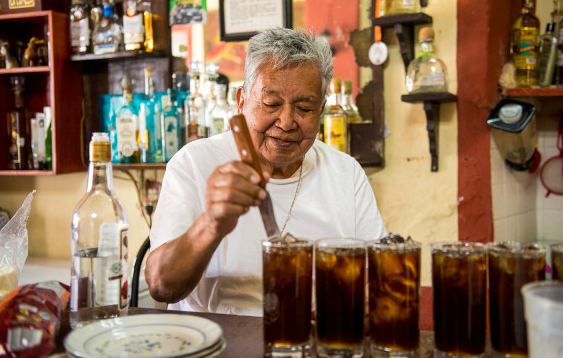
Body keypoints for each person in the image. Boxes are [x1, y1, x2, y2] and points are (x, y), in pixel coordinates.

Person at [145, 27, 386, 316]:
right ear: (242, 101)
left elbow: (378, 279)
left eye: (304, 108)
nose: (286, 122)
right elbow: (161, 286)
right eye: (271, 103)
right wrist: (211, 224)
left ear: (321, 110)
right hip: (217, 343)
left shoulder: (346, 174)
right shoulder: (195, 163)